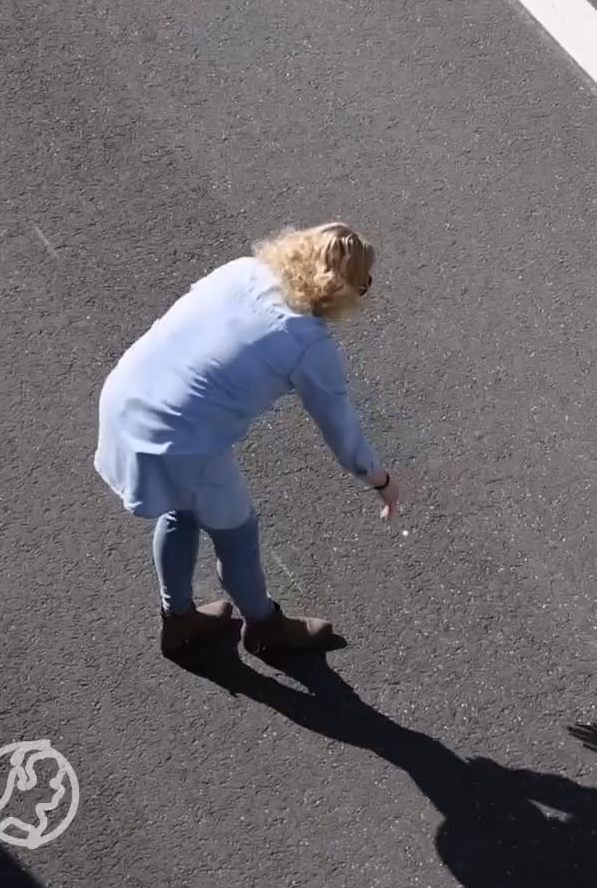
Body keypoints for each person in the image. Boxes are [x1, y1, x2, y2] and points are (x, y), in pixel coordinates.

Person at [95, 222, 399, 657]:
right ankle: (265, 628)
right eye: (362, 286)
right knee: (236, 533)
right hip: (184, 441)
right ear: (340, 288)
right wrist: (380, 480)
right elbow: (340, 428)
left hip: (127, 396)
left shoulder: (242, 270)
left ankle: (178, 618)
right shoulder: (309, 345)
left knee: (180, 509)